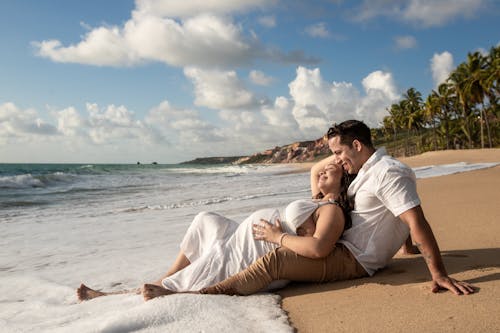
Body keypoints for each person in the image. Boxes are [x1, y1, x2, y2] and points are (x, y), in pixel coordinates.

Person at [143, 119, 474, 300]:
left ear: (358, 146)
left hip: (352, 259)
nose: (338, 161)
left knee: (272, 261)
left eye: (341, 153)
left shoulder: (387, 172)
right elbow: (394, 212)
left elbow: (415, 218)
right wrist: (405, 244)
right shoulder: (369, 172)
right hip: (346, 246)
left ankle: (199, 295)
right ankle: (179, 284)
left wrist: (438, 274)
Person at [77, 162, 351, 301]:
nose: (324, 171)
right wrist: (338, 157)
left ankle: (132, 294)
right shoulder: (317, 197)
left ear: (344, 177)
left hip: (261, 249)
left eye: (333, 169)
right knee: (205, 220)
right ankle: (166, 278)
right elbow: (316, 167)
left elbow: (316, 249)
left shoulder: (331, 209)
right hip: (253, 236)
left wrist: (277, 236)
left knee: (215, 256)